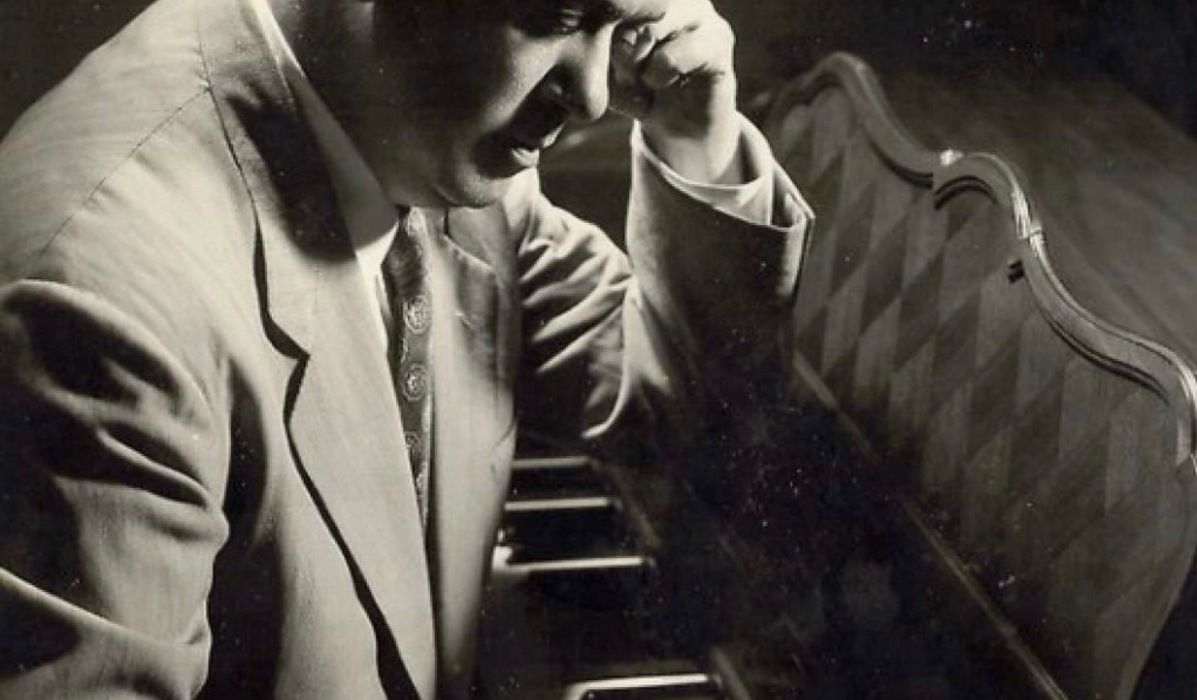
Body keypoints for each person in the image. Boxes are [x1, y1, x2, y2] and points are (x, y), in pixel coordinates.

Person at [0, 0, 810, 697]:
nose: (596, 95)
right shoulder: (97, 313)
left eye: (619, 22)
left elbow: (665, 417)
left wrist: (696, 139)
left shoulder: (419, 120)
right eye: (559, 16)